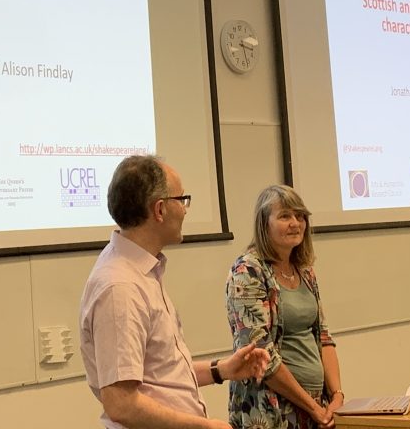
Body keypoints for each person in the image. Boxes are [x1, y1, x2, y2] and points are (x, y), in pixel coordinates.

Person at [80, 155, 269, 429]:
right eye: (182, 200)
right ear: (159, 210)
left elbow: (161, 375)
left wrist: (221, 370)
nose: (185, 210)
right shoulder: (120, 287)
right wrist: (204, 427)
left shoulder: (142, 272)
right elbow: (121, 404)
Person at [225, 185, 344, 429]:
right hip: (270, 410)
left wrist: (337, 396)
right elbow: (260, 353)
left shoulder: (305, 271)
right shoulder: (247, 271)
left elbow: (323, 336)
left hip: (316, 406)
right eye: (285, 216)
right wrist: (313, 408)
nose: (295, 223)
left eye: (300, 216)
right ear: (264, 224)